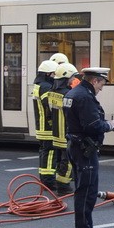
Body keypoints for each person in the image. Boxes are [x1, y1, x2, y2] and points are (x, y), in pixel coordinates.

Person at [63, 67, 114, 228]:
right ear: (95, 80)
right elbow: (92, 126)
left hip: (75, 145)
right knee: (86, 192)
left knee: (84, 189)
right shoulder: (85, 97)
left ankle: (87, 226)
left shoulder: (73, 93)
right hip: (84, 149)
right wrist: (109, 125)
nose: (102, 88)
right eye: (102, 83)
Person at [47, 63, 78, 194]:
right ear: (66, 78)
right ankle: (63, 186)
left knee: (60, 160)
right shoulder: (68, 94)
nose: (73, 80)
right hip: (66, 133)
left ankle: (60, 182)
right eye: (72, 77)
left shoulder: (51, 93)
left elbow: (49, 114)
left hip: (56, 133)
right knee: (68, 161)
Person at [32, 60, 58, 188]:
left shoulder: (38, 85)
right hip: (48, 126)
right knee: (50, 153)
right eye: (54, 74)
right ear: (48, 74)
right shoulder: (46, 87)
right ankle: (48, 180)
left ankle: (44, 178)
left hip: (41, 125)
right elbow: (50, 106)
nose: (55, 77)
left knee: (44, 152)